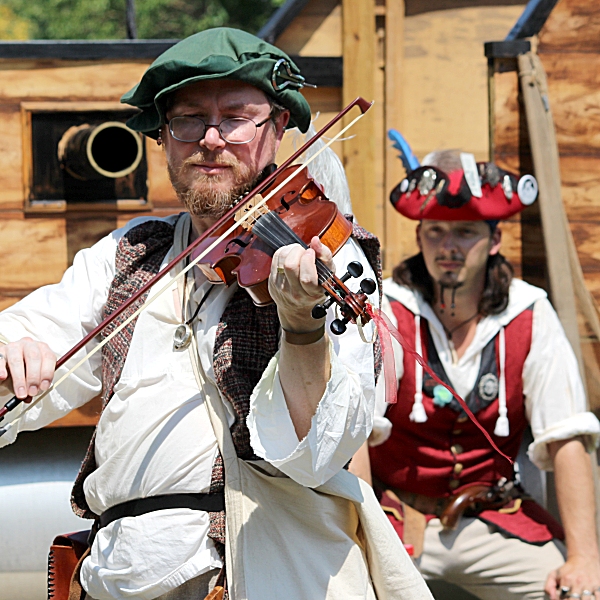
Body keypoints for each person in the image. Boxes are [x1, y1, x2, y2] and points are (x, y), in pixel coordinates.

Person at [0, 29, 431, 600]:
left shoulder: (330, 255)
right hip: (120, 574)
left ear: (277, 129)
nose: (209, 139)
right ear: (163, 139)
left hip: (263, 571)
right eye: (186, 119)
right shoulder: (134, 250)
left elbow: (319, 450)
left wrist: (301, 330)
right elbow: (32, 330)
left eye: (234, 118)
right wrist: (14, 352)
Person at [352, 149, 600, 600]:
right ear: (420, 236)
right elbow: (355, 436)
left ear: (495, 239)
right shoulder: (386, 309)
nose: (448, 247)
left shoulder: (529, 313)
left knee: (575, 596)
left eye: (465, 233)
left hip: (494, 520)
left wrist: (585, 558)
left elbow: (567, 438)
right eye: (436, 232)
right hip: (396, 517)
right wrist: (362, 538)